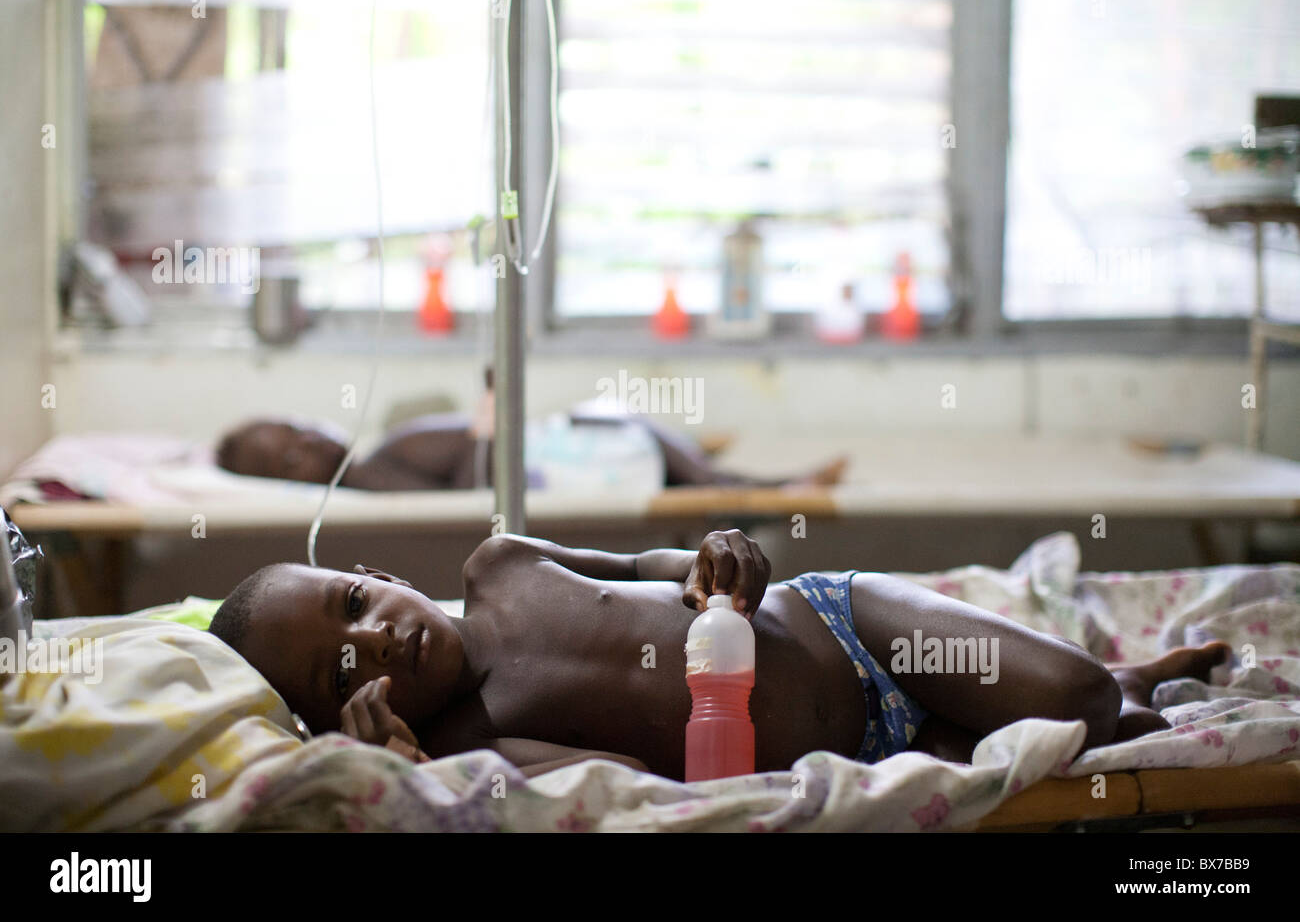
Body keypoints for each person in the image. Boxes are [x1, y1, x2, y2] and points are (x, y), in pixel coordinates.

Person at [208, 529, 1230, 779]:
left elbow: (662, 564)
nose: (375, 633)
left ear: (370, 570)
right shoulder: (476, 746)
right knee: (1085, 740)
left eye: (353, 601)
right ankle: (1119, 693)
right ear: (338, 717)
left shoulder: (500, 563)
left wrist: (721, 559)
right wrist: (414, 782)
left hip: (844, 627)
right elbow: (618, 789)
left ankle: (1122, 672)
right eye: (344, 667)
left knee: (1090, 700)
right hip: (856, 755)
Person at [214, 411, 848, 492]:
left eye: (300, 428)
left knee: (693, 470)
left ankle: (774, 484)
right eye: (289, 457)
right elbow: (470, 475)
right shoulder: (374, 478)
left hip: (558, 444)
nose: (309, 443)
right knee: (697, 479)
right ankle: (782, 490)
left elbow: (480, 434)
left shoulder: (392, 446)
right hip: (572, 467)